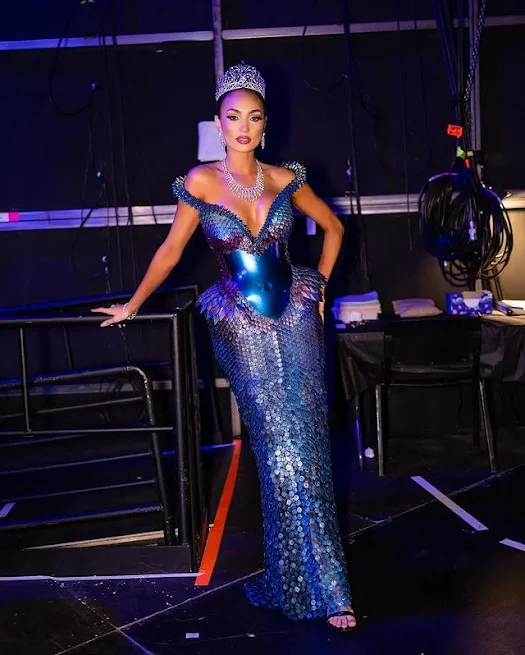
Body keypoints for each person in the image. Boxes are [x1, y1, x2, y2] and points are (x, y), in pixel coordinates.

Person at [92, 62, 356, 632]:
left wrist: (321, 287)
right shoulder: (201, 182)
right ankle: (314, 583)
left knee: (309, 443)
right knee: (278, 449)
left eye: (253, 118)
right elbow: (170, 251)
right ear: (218, 124)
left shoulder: (285, 179)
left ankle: (321, 585)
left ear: (265, 124)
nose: (243, 127)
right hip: (240, 325)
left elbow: (334, 229)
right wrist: (132, 304)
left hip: (297, 320)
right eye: (233, 117)